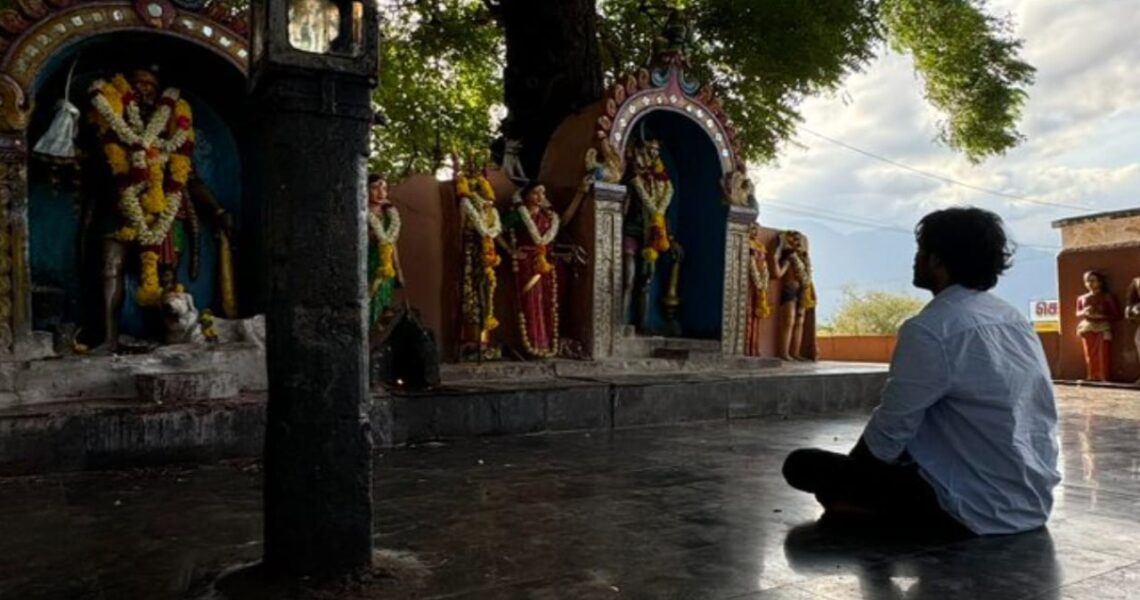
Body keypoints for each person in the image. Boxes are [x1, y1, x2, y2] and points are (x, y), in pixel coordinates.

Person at [782, 207, 1060, 537]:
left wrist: (853, 483)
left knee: (802, 465)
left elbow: (892, 428)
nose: (915, 261)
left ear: (937, 262)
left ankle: (874, 511)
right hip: (1031, 502)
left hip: (972, 510)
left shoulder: (930, 329)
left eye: (920, 252)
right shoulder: (1013, 319)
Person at [1076, 271, 1119, 382]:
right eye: (1087, 281)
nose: (1090, 284)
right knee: (1089, 353)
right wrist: (1084, 312)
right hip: (1088, 327)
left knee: (1103, 352)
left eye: (1093, 281)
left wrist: (1101, 316)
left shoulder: (1107, 297)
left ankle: (1103, 375)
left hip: (1103, 327)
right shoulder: (1081, 298)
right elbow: (1077, 313)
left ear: (1100, 282)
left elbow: (1116, 314)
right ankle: (1091, 375)